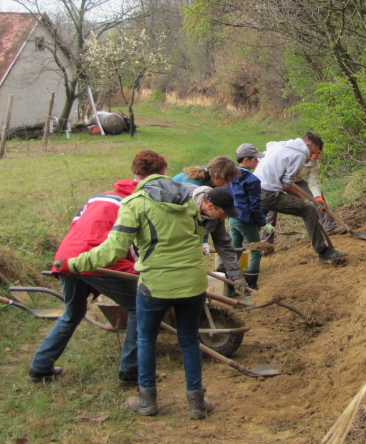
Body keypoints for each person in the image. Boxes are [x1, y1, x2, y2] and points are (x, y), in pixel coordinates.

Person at [51, 156, 215, 419]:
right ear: (164, 172)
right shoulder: (186, 200)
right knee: (189, 340)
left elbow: (113, 250)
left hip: (156, 284)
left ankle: (148, 401)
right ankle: (197, 402)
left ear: (136, 176)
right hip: (193, 281)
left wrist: (74, 263)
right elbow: (197, 238)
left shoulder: (134, 203)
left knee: (146, 339)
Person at [28, 150, 168, 387]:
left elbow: (76, 226)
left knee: (72, 313)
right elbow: (133, 244)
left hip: (67, 256)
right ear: (159, 175)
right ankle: (131, 371)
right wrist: (145, 269)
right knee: (138, 305)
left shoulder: (99, 197)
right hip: (99, 258)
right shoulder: (137, 202)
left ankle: (40, 367)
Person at [253, 132, 345, 261]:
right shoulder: (300, 154)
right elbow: (286, 185)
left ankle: (237, 253)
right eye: (316, 151)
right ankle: (323, 251)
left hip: (255, 189)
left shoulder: (283, 145)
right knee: (308, 210)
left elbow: (309, 183)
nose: (316, 155)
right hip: (270, 191)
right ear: (308, 145)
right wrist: (298, 196)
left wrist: (317, 198)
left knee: (254, 222)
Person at [227, 143, 274, 290]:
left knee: (235, 251)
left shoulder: (229, 176)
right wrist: (263, 223)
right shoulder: (252, 180)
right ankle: (252, 286)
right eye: (255, 159)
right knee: (256, 250)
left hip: (233, 219)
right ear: (246, 160)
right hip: (246, 220)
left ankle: (229, 287)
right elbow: (254, 206)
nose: (258, 162)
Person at [188, 185, 249, 295]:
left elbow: (224, 245)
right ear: (210, 206)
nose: (225, 217)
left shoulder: (216, 217)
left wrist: (236, 276)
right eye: (223, 213)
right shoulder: (183, 208)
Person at [173, 156, 240, 187]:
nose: (228, 182)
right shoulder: (194, 184)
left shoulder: (208, 179)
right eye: (228, 179)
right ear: (216, 176)